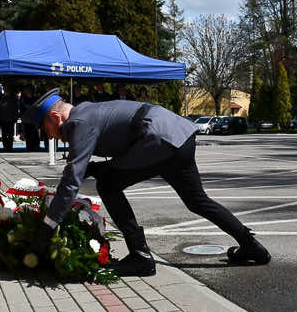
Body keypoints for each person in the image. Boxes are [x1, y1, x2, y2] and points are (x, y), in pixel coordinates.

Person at [21, 90, 271, 276]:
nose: (48, 134)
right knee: (197, 201)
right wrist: (97, 168)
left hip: (157, 141)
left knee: (108, 184)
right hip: (177, 138)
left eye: (45, 128)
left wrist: (48, 226)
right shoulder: (86, 112)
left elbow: (71, 179)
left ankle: (140, 256)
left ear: (55, 117)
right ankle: (252, 246)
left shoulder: (78, 123)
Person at [19, 85, 41, 151]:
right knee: (28, 133)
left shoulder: (36, 98)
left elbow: (37, 107)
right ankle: (29, 146)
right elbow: (23, 107)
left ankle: (36, 145)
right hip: (26, 118)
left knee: (35, 132)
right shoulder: (23, 98)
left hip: (34, 118)